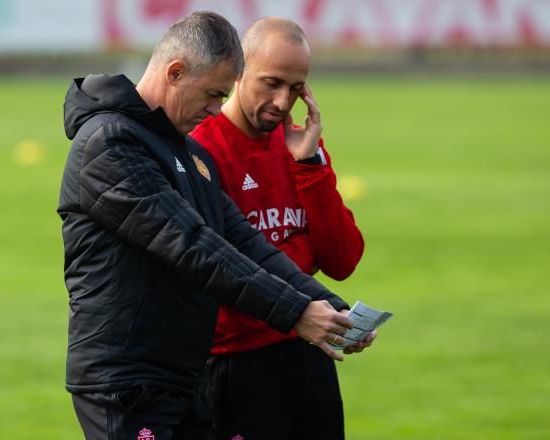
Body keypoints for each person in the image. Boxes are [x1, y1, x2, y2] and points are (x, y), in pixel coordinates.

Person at [58, 11, 364, 440]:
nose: (217, 109)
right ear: (176, 72)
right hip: (126, 384)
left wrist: (329, 306)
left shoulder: (186, 152)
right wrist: (296, 312)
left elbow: (242, 239)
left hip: (182, 377)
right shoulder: (109, 143)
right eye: (214, 93)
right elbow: (192, 245)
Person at [190, 17, 373, 440]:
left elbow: (343, 260)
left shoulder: (300, 146)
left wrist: (310, 167)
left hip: (310, 349)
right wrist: (299, 313)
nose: (281, 100)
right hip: (236, 361)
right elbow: (216, 267)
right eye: (270, 82)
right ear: (238, 74)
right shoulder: (201, 150)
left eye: (295, 88)